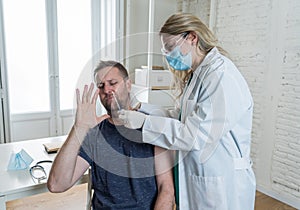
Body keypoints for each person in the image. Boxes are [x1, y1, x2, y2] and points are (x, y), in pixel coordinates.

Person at [118, 13, 256, 210]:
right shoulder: (198, 74)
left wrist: (144, 123)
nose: (168, 56)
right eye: (165, 51)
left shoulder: (221, 76)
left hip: (222, 181)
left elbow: (195, 135)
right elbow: (181, 117)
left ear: (192, 37)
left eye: (171, 48)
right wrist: (143, 109)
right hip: (203, 175)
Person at [47, 60, 175, 210]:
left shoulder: (152, 126)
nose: (107, 89)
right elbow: (56, 184)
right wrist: (79, 128)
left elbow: (166, 190)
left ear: (128, 85)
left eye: (112, 83)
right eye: (101, 86)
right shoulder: (95, 133)